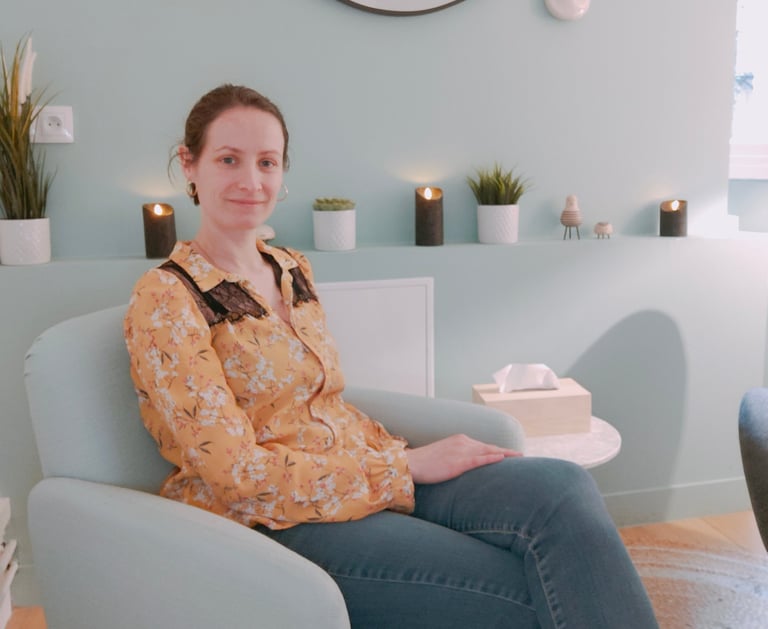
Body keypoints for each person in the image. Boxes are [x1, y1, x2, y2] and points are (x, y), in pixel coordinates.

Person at [123, 84, 659, 629]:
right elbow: (236, 474)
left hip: (368, 466)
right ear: (190, 165)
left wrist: (396, 462)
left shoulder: (290, 266)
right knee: (523, 586)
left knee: (562, 488)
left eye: (268, 162)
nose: (252, 181)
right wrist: (404, 467)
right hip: (276, 520)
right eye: (228, 159)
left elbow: (322, 401)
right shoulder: (166, 297)